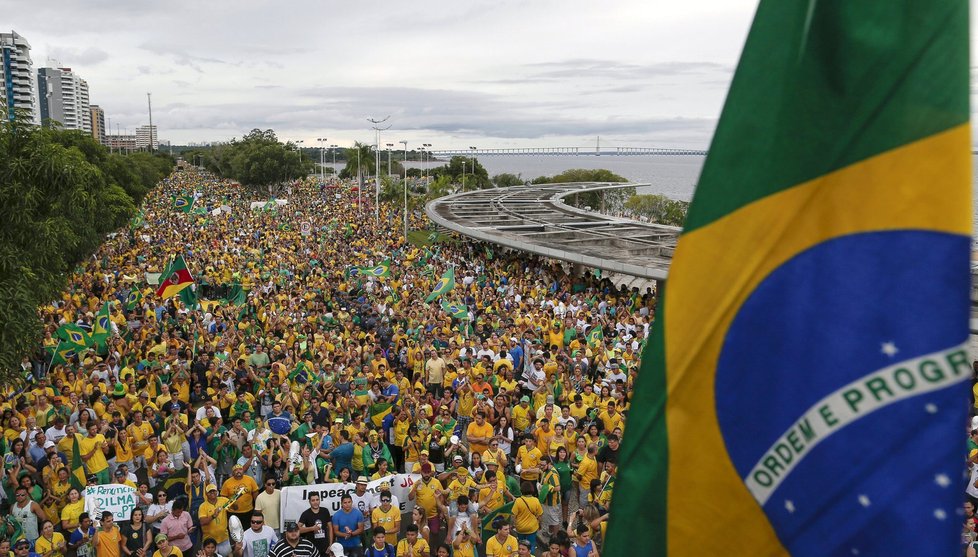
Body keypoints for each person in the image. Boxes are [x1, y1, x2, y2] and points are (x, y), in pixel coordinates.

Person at [198, 485, 230, 557]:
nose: (212, 492)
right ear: (206, 494)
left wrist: (235, 501)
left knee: (227, 555)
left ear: (217, 492)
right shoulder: (203, 506)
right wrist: (213, 516)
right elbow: (202, 522)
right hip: (209, 542)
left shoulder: (224, 500)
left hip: (223, 538)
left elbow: (234, 507)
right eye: (210, 491)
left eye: (214, 491)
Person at [511, 482, 542, 554]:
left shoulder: (518, 501)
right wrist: (540, 524)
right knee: (531, 545)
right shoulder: (536, 500)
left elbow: (513, 515)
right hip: (532, 527)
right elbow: (540, 515)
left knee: (521, 545)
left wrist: (513, 524)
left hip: (520, 528)